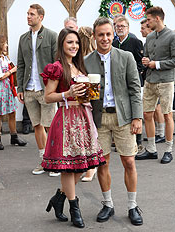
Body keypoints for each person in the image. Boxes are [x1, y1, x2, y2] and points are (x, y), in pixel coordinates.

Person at [40, 28, 106, 229]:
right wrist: (67, 93)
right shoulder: (57, 67)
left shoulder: (79, 66)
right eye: (70, 42)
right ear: (62, 44)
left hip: (83, 117)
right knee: (68, 167)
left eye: (76, 43)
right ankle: (74, 208)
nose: (74, 46)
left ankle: (59, 197)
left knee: (86, 164)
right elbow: (47, 96)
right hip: (66, 119)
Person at [84, 17, 143, 226]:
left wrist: (137, 117)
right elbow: (83, 95)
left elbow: (135, 89)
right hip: (98, 118)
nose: (105, 38)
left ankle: (132, 205)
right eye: (101, 34)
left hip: (124, 117)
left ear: (113, 34)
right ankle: (108, 204)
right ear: (94, 36)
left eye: (109, 34)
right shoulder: (86, 61)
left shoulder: (126, 57)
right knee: (103, 163)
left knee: (129, 161)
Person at [17, 4, 59, 176]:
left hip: (45, 88)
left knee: (50, 126)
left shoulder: (51, 36)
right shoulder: (23, 38)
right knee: (37, 125)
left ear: (41, 17)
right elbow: (20, 64)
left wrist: (53, 88)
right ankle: (43, 160)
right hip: (29, 88)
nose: (28, 16)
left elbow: (57, 64)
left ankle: (55, 160)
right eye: (27, 14)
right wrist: (20, 88)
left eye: (32, 14)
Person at [135, 7, 175, 164]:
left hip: (166, 80)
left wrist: (155, 64)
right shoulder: (150, 37)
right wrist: (146, 61)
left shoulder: (172, 36)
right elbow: (147, 57)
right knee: (147, 115)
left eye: (149, 19)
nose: (147, 22)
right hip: (150, 80)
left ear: (157, 19)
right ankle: (151, 149)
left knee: (167, 115)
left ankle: (168, 150)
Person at [112, 16, 144, 154]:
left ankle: (139, 141)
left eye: (122, 26)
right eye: (117, 26)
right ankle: (122, 139)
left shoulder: (135, 42)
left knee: (136, 110)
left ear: (128, 28)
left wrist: (130, 72)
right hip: (118, 84)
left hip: (133, 81)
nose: (119, 28)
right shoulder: (113, 43)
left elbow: (141, 63)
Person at [0, 35, 27, 150]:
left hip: (8, 88)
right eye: (5, 43)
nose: (7, 45)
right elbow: (0, 76)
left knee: (12, 112)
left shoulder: (5, 58)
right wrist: (12, 70)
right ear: (0, 45)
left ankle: (14, 136)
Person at [140, 19, 165, 143]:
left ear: (150, 30)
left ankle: (161, 133)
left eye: (144, 28)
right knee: (153, 108)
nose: (141, 30)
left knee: (158, 107)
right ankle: (157, 133)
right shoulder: (147, 42)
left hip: (158, 79)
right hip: (149, 77)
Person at [78, 26, 97, 182]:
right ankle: (88, 166)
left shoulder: (92, 57)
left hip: (88, 100)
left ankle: (91, 167)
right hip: (82, 100)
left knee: (89, 133)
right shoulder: (78, 58)